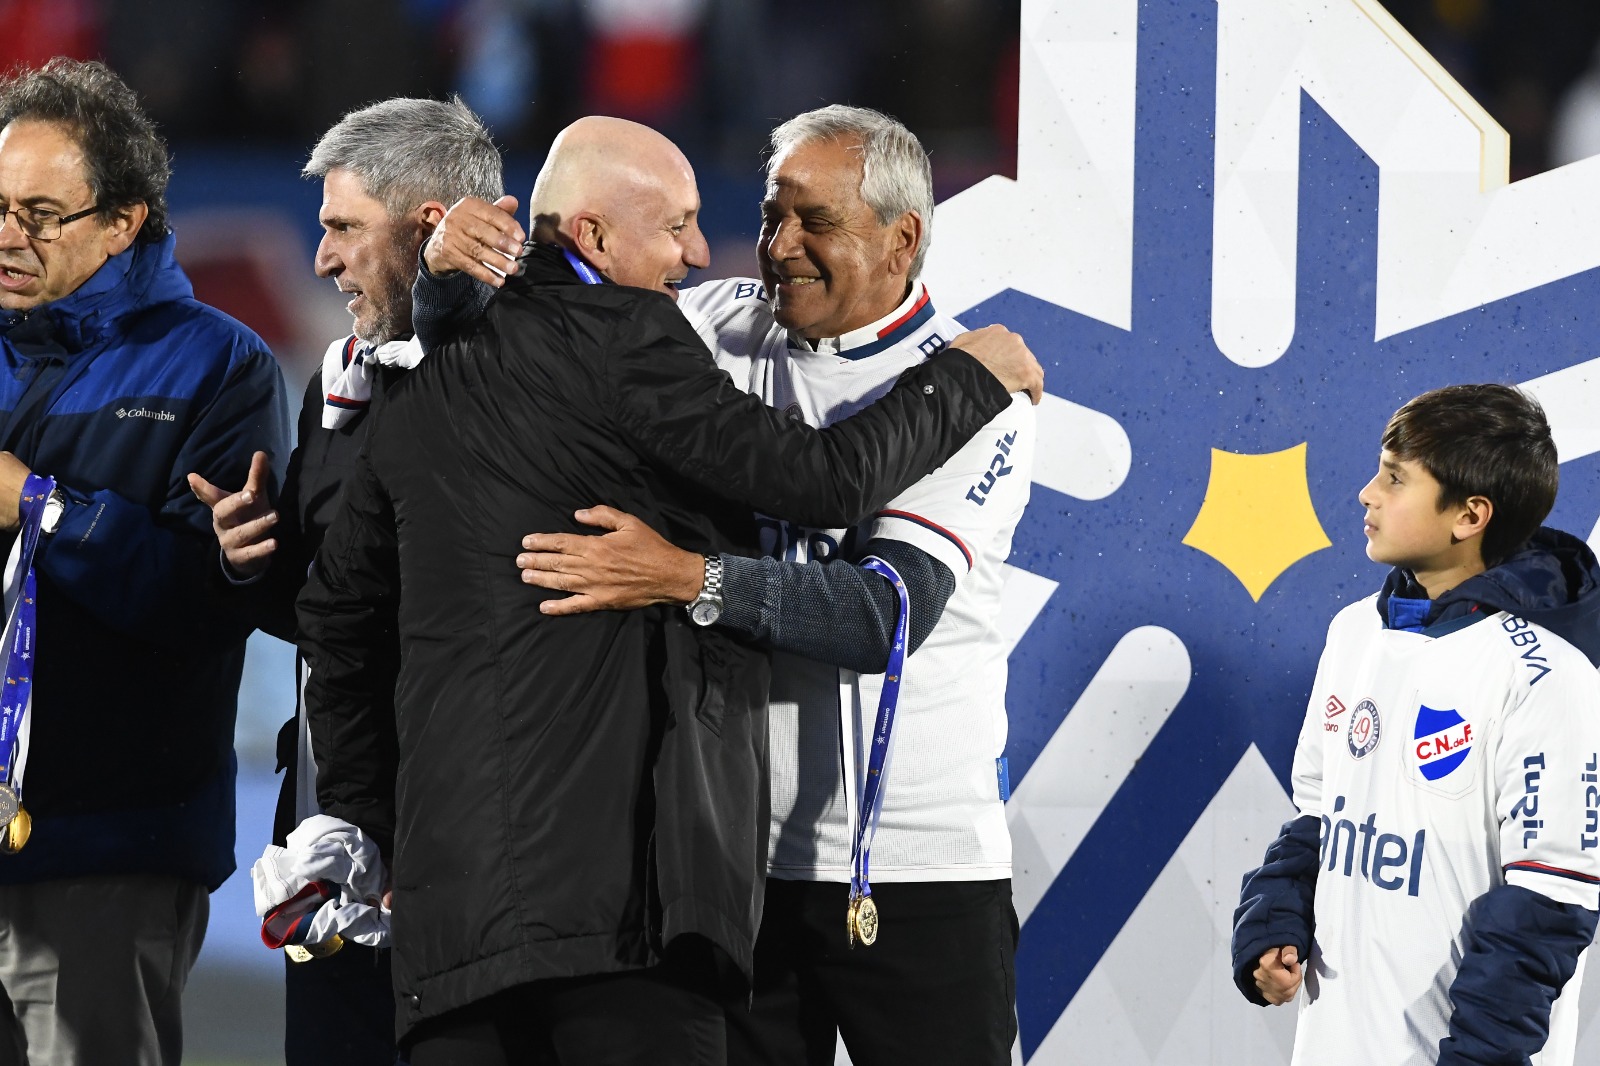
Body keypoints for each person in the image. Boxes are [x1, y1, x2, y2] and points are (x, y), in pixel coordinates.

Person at [297, 114, 1041, 1065]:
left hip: (909, 861)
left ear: (903, 237)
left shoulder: (966, 395)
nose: (773, 249)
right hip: (730, 866)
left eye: (814, 222)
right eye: (770, 218)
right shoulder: (707, 327)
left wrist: (689, 578)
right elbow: (539, 334)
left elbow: (878, 616)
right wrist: (443, 287)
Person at [186, 96, 504, 1066]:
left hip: (469, 858)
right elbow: (340, 603)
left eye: (341, 228)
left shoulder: (522, 383)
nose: (321, 258)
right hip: (331, 849)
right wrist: (255, 561)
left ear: (431, 228)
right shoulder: (343, 375)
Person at [0, 58, 291, 1066]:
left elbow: (202, 605)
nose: (6, 235)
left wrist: (36, 506)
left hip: (102, 855)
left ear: (121, 221)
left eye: (40, 212)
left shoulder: (218, 365)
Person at [1231, 384, 1600, 1065]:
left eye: (1395, 479)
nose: (1367, 494)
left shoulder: (1551, 676)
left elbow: (1548, 904)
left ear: (1469, 515)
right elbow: (1320, 819)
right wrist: (1276, 923)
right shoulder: (1353, 633)